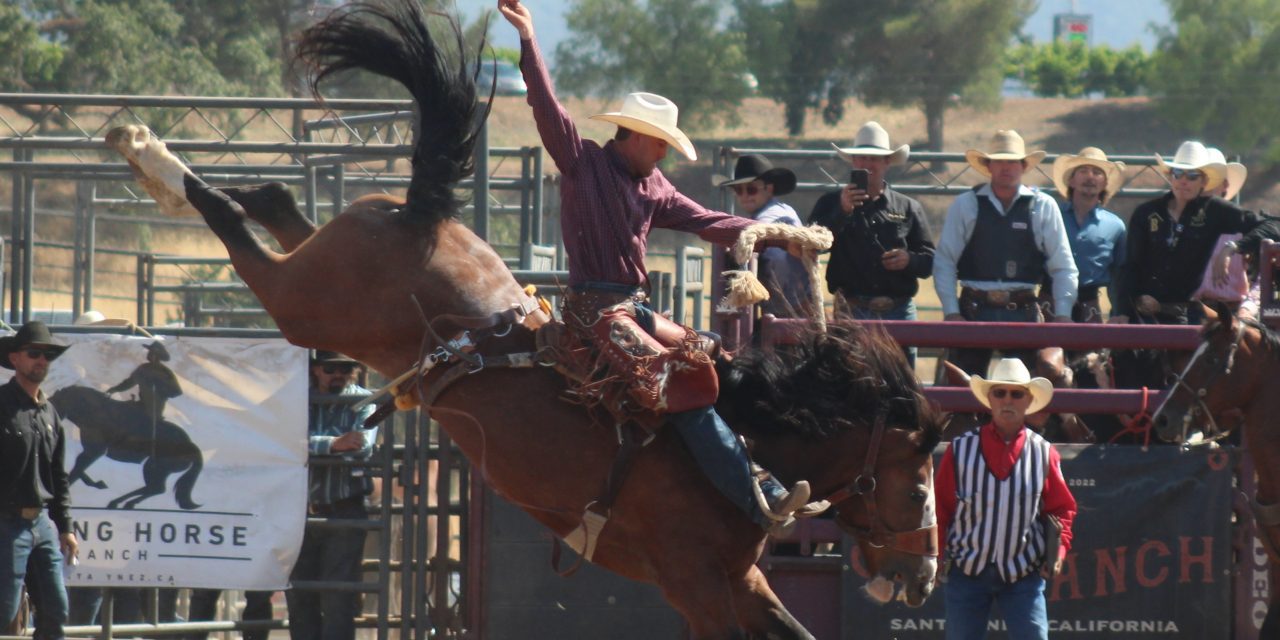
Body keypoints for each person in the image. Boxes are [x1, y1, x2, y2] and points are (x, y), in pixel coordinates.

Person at [499, 0, 821, 536]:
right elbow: (545, 107)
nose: (666, 156)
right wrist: (530, 41)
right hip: (598, 313)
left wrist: (777, 233)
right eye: (662, 145)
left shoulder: (653, 185)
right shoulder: (582, 164)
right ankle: (755, 495)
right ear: (640, 136)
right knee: (680, 383)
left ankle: (745, 472)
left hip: (633, 309)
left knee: (714, 353)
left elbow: (708, 220)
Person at [934, 358, 1078, 640]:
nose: (1007, 400)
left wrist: (1058, 550)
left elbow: (1062, 509)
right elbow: (940, 510)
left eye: (1016, 393)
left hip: (1023, 574)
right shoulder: (959, 450)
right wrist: (938, 555)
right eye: (1000, 393)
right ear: (989, 399)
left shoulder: (1044, 453)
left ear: (1028, 401)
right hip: (967, 572)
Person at [933, 130, 1077, 377]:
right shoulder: (966, 203)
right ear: (989, 166)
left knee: (1031, 394)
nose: (1006, 167)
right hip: (973, 308)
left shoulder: (1043, 205)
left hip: (1023, 308)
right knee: (963, 394)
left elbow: (1063, 265)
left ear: (1023, 166)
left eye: (1012, 161)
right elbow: (945, 260)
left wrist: (1063, 313)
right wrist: (952, 312)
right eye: (999, 161)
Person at [809, 121, 934, 365]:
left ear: (887, 162)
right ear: (853, 163)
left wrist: (909, 260)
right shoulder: (830, 203)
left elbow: (929, 262)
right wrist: (841, 211)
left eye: (874, 158)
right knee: (848, 381)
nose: (867, 164)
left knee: (903, 383)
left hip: (898, 309)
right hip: (851, 309)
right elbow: (813, 245)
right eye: (861, 158)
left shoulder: (908, 207)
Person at [1112, 141, 1258, 327]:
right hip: (1143, 313)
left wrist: (1234, 247)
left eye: (1192, 176)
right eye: (1178, 173)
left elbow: (1267, 225)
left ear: (1203, 181)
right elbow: (1129, 265)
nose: (1183, 180)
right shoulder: (1146, 213)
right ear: (1170, 177)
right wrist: (1124, 310)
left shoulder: (1214, 211)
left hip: (1187, 316)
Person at [286, 351, 376, 640]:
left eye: (346, 368)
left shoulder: (365, 400)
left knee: (338, 596)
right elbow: (283, 441)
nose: (338, 374)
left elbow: (362, 445)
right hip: (299, 510)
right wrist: (335, 443)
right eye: (331, 368)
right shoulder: (297, 397)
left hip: (344, 509)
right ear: (315, 369)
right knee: (300, 595)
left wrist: (310, 445)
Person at [0, 321, 78, 639]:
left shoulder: (50, 413)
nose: (41, 361)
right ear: (15, 358)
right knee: (3, 612)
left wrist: (67, 527)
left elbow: (59, 476)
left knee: (56, 609)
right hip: (5, 522)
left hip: (40, 524)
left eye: (47, 355)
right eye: (34, 353)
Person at [713, 154, 811, 318]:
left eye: (751, 189)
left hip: (793, 309)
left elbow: (756, 229)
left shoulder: (774, 213)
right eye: (739, 190)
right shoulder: (779, 210)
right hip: (788, 305)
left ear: (769, 189)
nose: (745, 195)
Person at [1046, 147, 1127, 324]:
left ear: (1105, 183)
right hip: (1049, 300)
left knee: (1090, 352)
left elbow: (1119, 276)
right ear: (1072, 181)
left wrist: (1118, 312)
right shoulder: (1050, 216)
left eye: (1097, 172)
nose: (1090, 176)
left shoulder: (1116, 226)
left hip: (1089, 305)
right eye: (1083, 171)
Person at [105, 341, 182, 427]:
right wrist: (115, 389)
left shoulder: (165, 372)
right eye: (149, 352)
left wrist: (160, 387)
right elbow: (129, 382)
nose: (149, 354)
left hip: (154, 410)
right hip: (141, 405)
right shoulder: (144, 368)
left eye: (152, 353)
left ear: (157, 356)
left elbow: (176, 391)